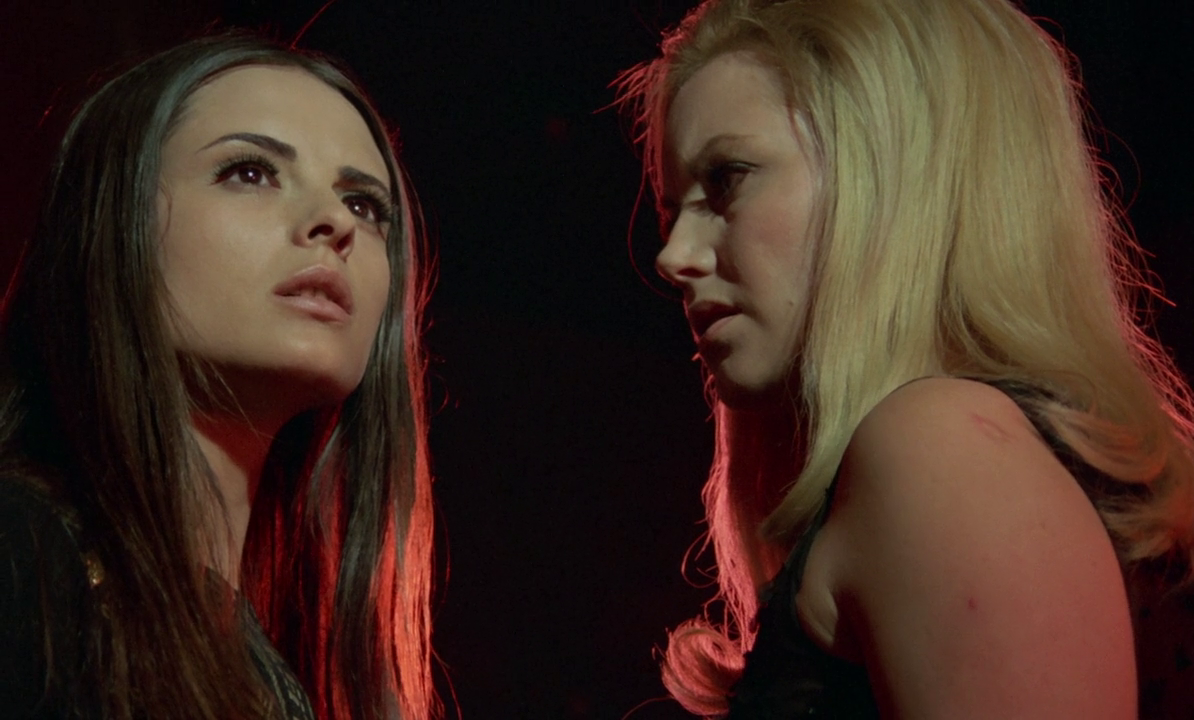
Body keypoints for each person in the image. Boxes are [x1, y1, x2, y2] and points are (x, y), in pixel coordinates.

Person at [616, 0, 1194, 717]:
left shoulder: (940, 447)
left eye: (728, 178)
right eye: (672, 211)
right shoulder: (970, 452)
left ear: (893, 170)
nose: (672, 257)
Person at [0, 33, 436, 720]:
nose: (334, 222)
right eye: (250, 172)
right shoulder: (22, 555)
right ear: (111, 220)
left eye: (364, 205)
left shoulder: (272, 671)